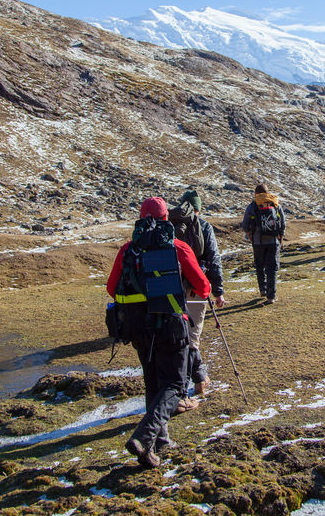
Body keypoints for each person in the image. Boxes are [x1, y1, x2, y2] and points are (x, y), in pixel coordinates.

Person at [105, 197, 211, 468]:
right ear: (167, 219)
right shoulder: (177, 247)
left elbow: (111, 287)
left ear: (141, 218)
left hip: (139, 328)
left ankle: (155, 446)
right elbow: (203, 287)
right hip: (172, 326)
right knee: (175, 385)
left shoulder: (128, 250)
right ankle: (144, 436)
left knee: (152, 383)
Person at [168, 190, 226, 410]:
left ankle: (193, 380)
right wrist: (218, 290)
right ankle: (197, 382)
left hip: (171, 289)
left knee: (177, 336)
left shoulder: (170, 226)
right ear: (198, 207)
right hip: (195, 287)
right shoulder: (203, 226)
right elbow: (213, 258)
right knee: (192, 337)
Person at [242, 184, 285, 305]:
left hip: (257, 242)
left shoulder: (252, 206)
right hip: (273, 241)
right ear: (267, 193)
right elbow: (282, 223)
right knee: (272, 268)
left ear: (256, 194)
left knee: (260, 266)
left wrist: (251, 234)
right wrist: (280, 237)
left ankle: (263, 289)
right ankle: (271, 296)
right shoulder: (276, 205)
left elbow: (245, 225)